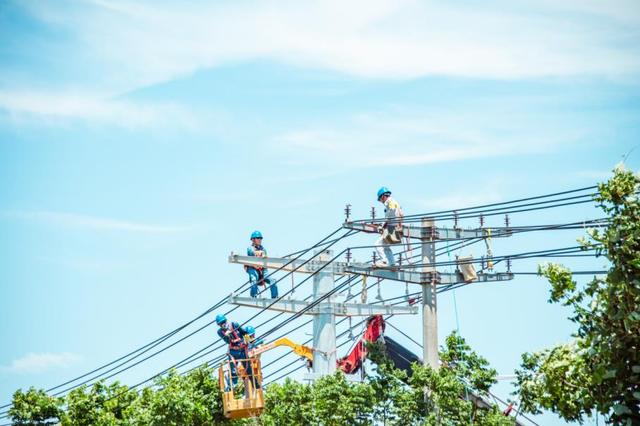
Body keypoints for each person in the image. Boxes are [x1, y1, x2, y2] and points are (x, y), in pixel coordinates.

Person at [215, 314, 251, 388]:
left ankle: (253, 382)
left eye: (224, 322)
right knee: (232, 369)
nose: (223, 324)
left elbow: (244, 332)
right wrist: (228, 336)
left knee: (248, 367)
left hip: (242, 348)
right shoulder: (220, 332)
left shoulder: (234, 324)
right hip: (234, 350)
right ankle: (232, 385)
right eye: (221, 324)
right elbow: (228, 342)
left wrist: (247, 341)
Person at [374, 187, 404, 267]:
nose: (381, 201)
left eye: (380, 199)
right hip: (395, 226)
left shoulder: (389, 201)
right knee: (385, 246)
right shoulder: (394, 202)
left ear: (383, 196)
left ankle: (384, 261)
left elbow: (391, 213)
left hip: (392, 227)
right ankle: (392, 263)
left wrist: (383, 225)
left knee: (377, 244)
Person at [246, 231, 279, 299]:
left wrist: (264, 255)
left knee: (273, 280)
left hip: (263, 269)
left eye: (260, 238)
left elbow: (265, 256)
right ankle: (253, 296)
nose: (260, 240)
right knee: (254, 280)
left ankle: (274, 297)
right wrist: (262, 253)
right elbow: (253, 253)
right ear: (253, 239)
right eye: (258, 238)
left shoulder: (263, 248)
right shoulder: (250, 248)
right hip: (253, 268)